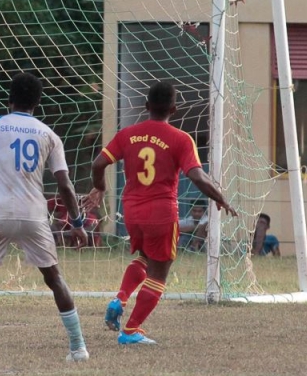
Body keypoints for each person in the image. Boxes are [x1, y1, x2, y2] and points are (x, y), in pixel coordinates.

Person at [0, 72, 90, 363]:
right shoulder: (49, 134)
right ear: (37, 103)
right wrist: (77, 224)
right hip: (34, 215)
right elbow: (65, 185)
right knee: (54, 278)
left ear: (9, 99)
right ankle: (78, 348)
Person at [85, 81, 234, 345]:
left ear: (146, 106)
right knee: (159, 272)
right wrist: (220, 197)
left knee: (145, 257)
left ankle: (120, 298)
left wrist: (100, 187)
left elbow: (98, 164)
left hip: (131, 211)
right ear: (174, 109)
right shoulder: (181, 139)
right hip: (161, 212)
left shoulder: (127, 134)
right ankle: (130, 331)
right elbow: (197, 176)